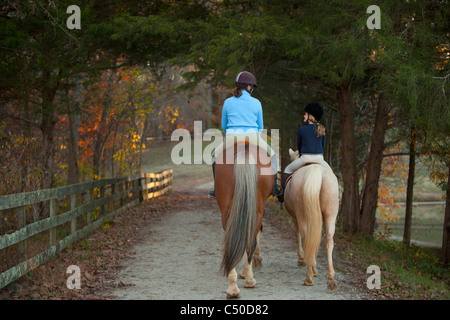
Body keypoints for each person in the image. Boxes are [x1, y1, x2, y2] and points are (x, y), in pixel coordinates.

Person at [209, 71, 281, 198]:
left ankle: (217, 187)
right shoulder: (256, 102)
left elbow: (224, 126)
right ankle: (274, 186)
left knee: (214, 155)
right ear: (248, 87)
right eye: (252, 87)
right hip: (253, 137)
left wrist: (231, 133)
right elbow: (260, 126)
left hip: (232, 137)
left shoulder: (227, 102)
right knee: (273, 155)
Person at [277, 102, 333, 203]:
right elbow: (323, 146)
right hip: (320, 159)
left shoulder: (302, 129)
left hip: (305, 158)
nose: (304, 115)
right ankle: (334, 197)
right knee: (332, 176)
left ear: (310, 116)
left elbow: (299, 146)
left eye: (305, 114)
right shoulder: (322, 130)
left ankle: (283, 193)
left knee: (287, 170)